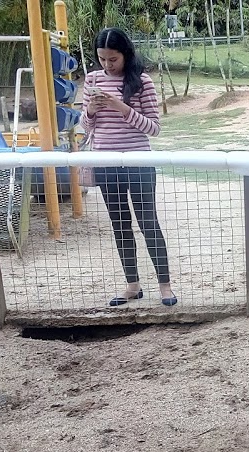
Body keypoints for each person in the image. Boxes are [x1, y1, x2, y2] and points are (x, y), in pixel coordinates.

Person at [82, 27, 176, 307]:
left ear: (125, 55)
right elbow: (84, 127)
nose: (107, 65)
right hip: (105, 163)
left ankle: (165, 286)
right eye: (102, 59)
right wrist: (91, 110)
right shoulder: (91, 79)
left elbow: (154, 128)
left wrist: (121, 107)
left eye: (113, 59)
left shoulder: (142, 81)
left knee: (148, 223)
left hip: (138, 162)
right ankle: (132, 285)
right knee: (120, 225)